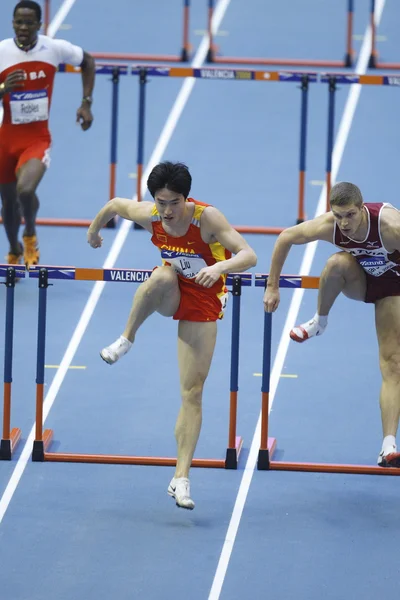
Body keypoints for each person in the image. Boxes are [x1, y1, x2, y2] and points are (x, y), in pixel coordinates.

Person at [87, 161, 257, 509]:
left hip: (205, 303)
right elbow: (115, 204)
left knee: (192, 393)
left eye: (174, 203)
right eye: (161, 202)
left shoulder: (207, 219)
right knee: (162, 276)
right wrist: (93, 232)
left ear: (186, 198)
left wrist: (219, 266)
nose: (167, 211)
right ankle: (126, 338)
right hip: (173, 290)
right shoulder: (150, 214)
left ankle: (181, 478)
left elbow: (249, 255)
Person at [264, 181, 400, 468]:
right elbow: (285, 237)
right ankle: (319, 321)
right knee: (335, 263)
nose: (344, 223)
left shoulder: (391, 227)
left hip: (395, 288)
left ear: (362, 210)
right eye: (338, 216)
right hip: (362, 279)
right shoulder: (331, 225)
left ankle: (388, 445)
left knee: (392, 363)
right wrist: (272, 286)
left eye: (350, 215)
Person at [0, 0, 95, 267]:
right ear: (12, 23)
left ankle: (29, 234)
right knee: (7, 203)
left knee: (26, 190)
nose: (23, 27)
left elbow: (88, 61)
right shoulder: (2, 52)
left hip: (36, 138)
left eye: (29, 22)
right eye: (19, 21)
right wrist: (4, 87)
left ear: (39, 25)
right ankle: (14, 248)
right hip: (5, 139)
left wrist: (86, 103)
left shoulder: (52, 48)